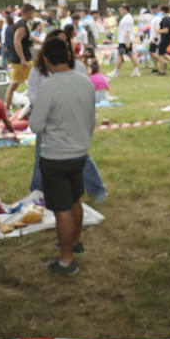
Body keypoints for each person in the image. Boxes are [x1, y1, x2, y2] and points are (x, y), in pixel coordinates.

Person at [29, 37, 96, 276]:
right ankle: (75, 242)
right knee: (74, 199)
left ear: (46, 60)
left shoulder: (49, 86)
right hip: (79, 153)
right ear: (68, 56)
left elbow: (35, 125)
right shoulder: (85, 82)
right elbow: (91, 120)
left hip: (56, 156)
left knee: (62, 209)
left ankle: (66, 261)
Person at [4, 4, 36, 112]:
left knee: (18, 84)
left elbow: (29, 39)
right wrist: (22, 59)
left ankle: (9, 106)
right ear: (28, 12)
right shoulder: (21, 25)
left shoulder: (23, 24)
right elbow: (16, 42)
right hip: (21, 61)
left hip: (23, 59)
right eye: (33, 12)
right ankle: (8, 108)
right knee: (15, 85)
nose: (34, 15)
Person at [113, 3, 140, 77]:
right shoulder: (126, 17)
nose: (120, 11)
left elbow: (127, 32)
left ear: (125, 10)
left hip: (124, 41)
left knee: (120, 56)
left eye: (122, 9)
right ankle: (136, 70)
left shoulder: (127, 19)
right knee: (131, 55)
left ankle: (116, 71)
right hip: (124, 40)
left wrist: (127, 42)